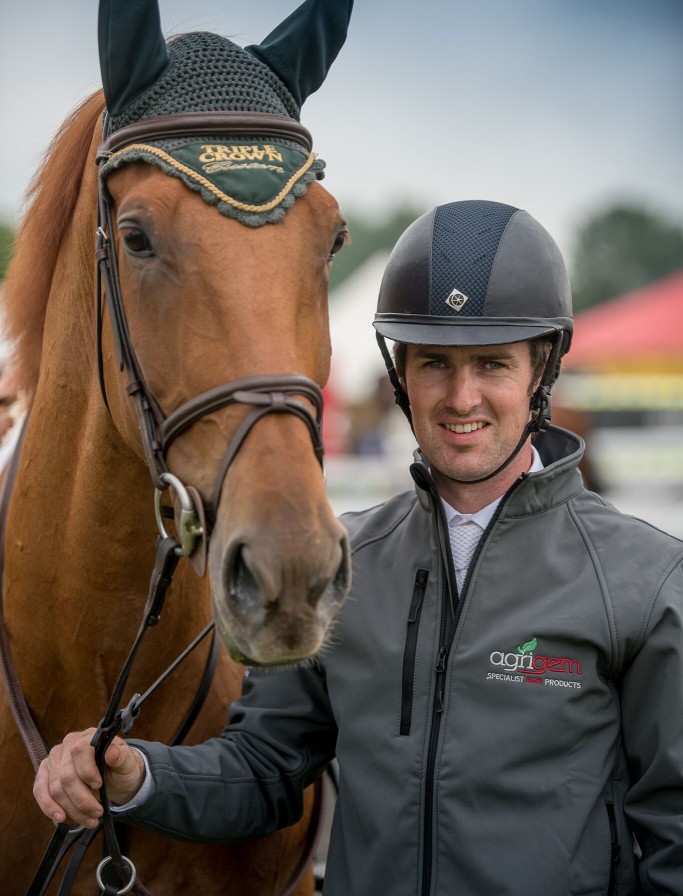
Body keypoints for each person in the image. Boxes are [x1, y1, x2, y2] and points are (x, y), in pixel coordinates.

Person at [34, 200, 683, 895]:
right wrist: (144, 776)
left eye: (491, 364)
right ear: (398, 374)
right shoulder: (344, 564)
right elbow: (266, 769)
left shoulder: (644, 579)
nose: (461, 397)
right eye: (434, 363)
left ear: (541, 371)